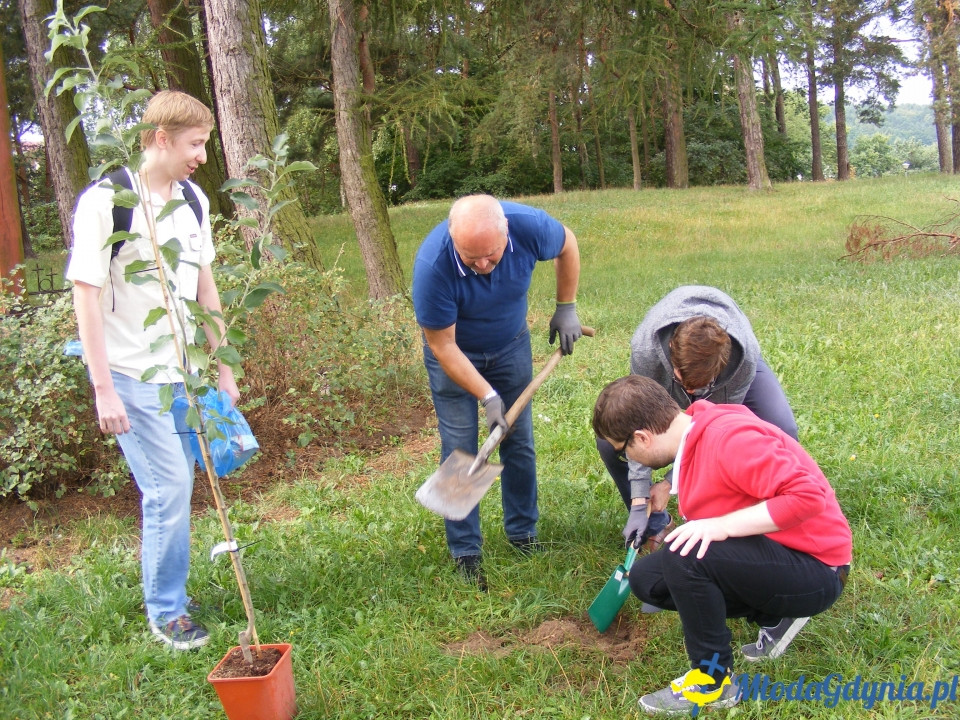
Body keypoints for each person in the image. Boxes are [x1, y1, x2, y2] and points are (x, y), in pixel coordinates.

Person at [66, 90, 238, 650]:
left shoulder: (192, 199)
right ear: (160, 138)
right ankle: (167, 611)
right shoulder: (105, 202)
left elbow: (204, 285)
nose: (202, 156)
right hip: (133, 376)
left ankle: (173, 590)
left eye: (205, 143)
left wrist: (223, 366)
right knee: (168, 487)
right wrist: (103, 390)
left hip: (184, 374)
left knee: (186, 481)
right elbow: (85, 297)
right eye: (195, 144)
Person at [592, 375, 852, 716]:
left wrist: (719, 526)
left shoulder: (728, 439)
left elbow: (808, 497)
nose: (627, 459)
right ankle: (774, 614)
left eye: (624, 452)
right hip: (780, 552)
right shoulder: (696, 434)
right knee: (648, 579)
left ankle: (712, 681)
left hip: (819, 568)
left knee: (683, 555)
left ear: (642, 437)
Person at [412, 194, 582, 588]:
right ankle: (466, 550)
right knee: (462, 448)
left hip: (510, 346)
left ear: (506, 231)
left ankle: (523, 533)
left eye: (491, 254)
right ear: (454, 240)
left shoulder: (527, 226)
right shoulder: (432, 266)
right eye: (472, 258)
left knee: (518, 440)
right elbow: (443, 346)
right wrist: (487, 396)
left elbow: (567, 244)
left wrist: (566, 305)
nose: (484, 265)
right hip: (455, 356)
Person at [597, 285, 798, 557]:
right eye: (685, 384)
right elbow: (637, 421)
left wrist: (669, 483)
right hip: (663, 370)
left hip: (730, 377)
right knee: (612, 443)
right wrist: (639, 500)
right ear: (670, 353)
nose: (691, 394)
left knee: (782, 427)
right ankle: (654, 523)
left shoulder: (742, 357)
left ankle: (766, 517)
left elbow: (722, 433)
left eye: (700, 387)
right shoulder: (646, 351)